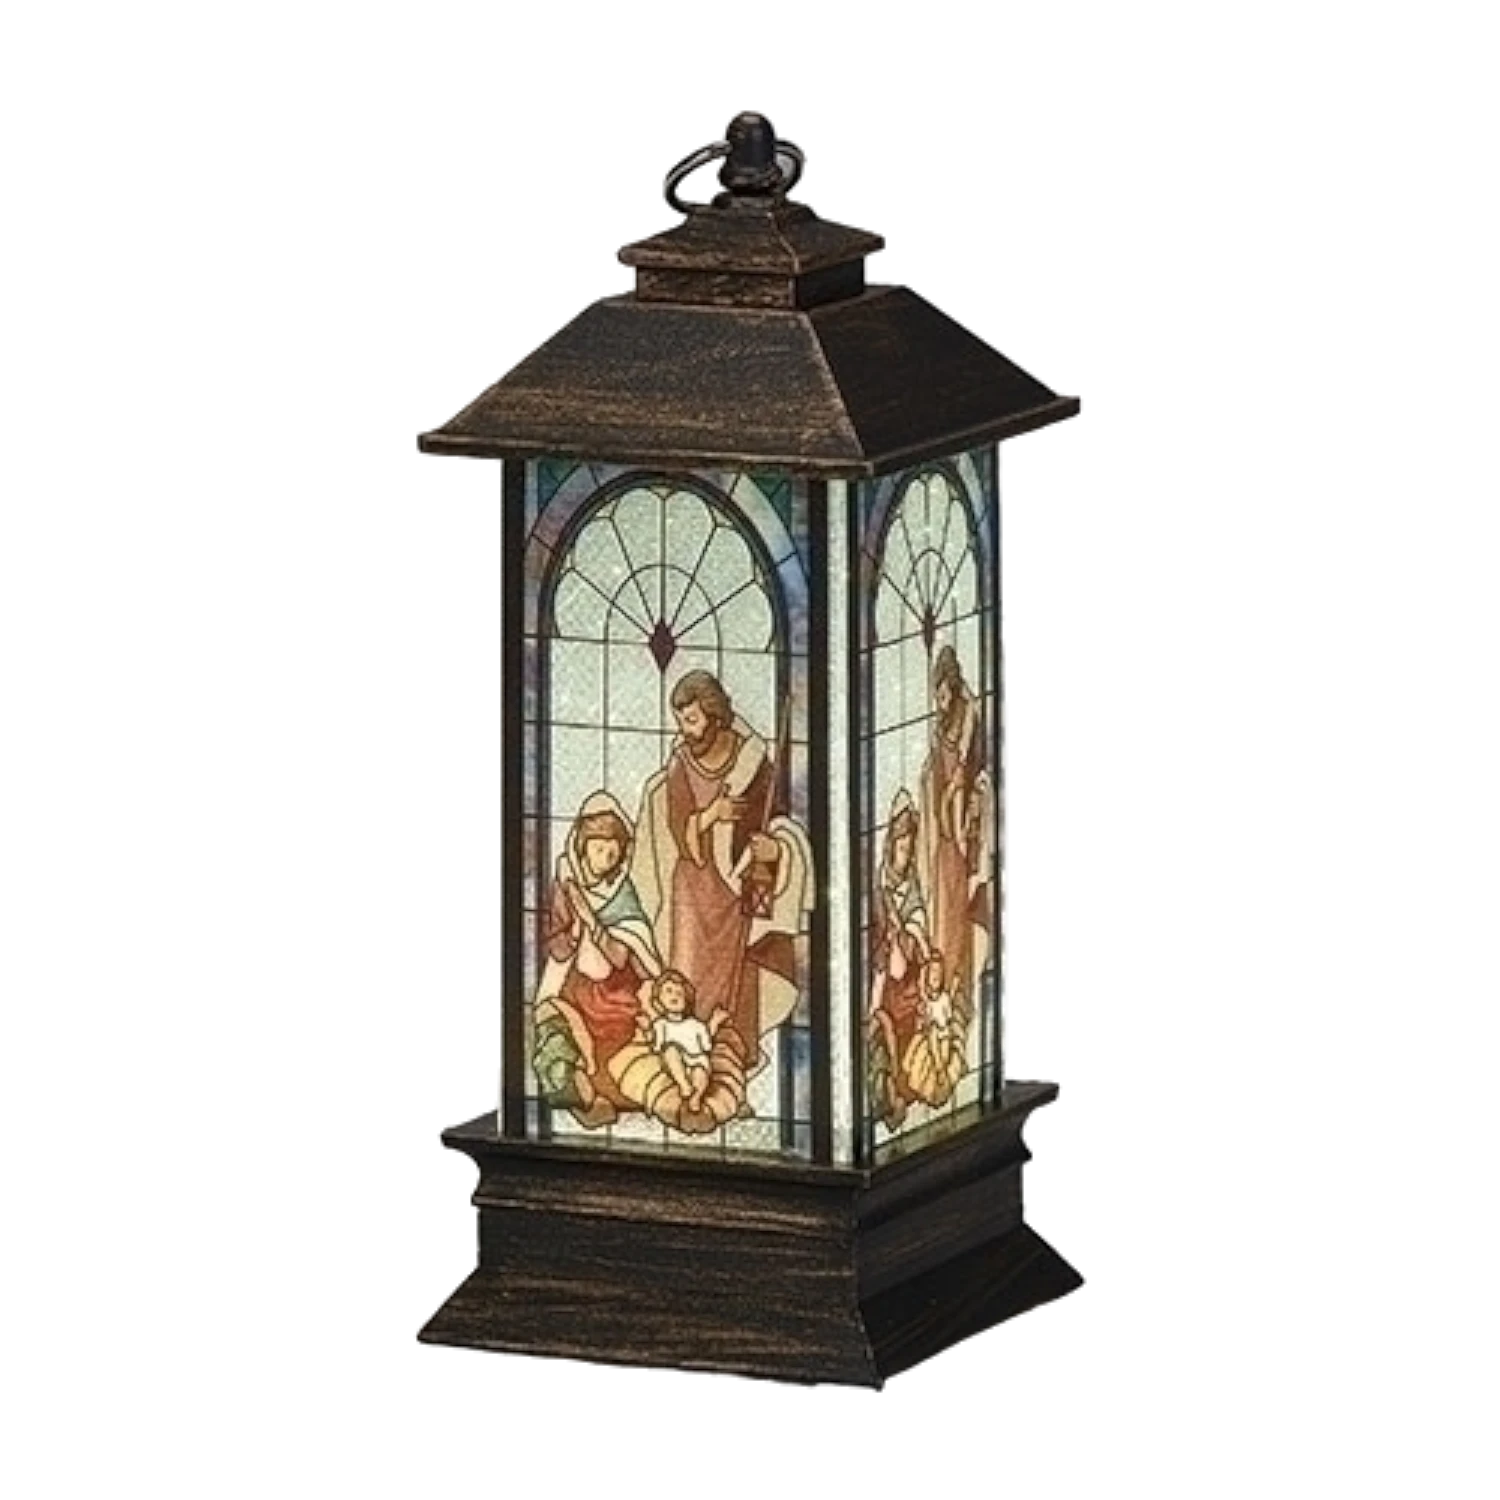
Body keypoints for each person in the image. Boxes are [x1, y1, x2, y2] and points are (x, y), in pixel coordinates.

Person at [632, 670, 813, 1076]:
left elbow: (777, 818)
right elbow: (678, 825)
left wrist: (776, 850)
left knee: (743, 969)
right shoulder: (681, 763)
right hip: (693, 890)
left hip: (740, 886)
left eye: (692, 720)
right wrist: (712, 814)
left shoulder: (752, 760)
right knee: (689, 970)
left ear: (714, 715)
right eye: (681, 721)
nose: (686, 730)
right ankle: (686, 1053)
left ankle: (733, 1059)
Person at [532, 792, 663, 1127]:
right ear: (583, 847)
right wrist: (574, 932)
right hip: (575, 982)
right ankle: (580, 1094)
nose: (605, 857)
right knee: (556, 1027)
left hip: (617, 989)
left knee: (619, 1036)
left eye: (612, 852)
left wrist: (590, 919)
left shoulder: (622, 893)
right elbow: (557, 941)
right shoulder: (565, 885)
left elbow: (623, 955)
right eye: (599, 848)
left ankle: (604, 1094)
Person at [919, 646, 989, 1031]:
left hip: (961, 835)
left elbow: (969, 774)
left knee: (957, 908)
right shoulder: (943, 725)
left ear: (954, 685)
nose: (940, 702)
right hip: (943, 836)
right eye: (936, 696)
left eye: (944, 694)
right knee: (942, 908)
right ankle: (944, 977)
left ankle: (959, 985)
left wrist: (962, 806)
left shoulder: (969, 719)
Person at [869, 791, 931, 1129]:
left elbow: (918, 913)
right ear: (890, 846)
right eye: (902, 848)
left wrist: (915, 934)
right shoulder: (880, 886)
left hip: (910, 970)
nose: (906, 856)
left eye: (911, 849)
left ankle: (908, 1081)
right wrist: (895, 934)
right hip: (890, 976)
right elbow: (879, 933)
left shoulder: (912, 884)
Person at [644, 970, 728, 1114]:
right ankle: (684, 1085)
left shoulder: (696, 1025)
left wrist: (714, 1022)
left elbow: (706, 1045)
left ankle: (696, 1097)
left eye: (679, 993)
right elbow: (657, 1048)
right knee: (670, 1050)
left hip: (697, 1060)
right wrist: (648, 1032)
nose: (674, 996)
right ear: (658, 1000)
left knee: (700, 1073)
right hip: (675, 1062)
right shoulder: (660, 1024)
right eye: (668, 991)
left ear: (686, 1001)